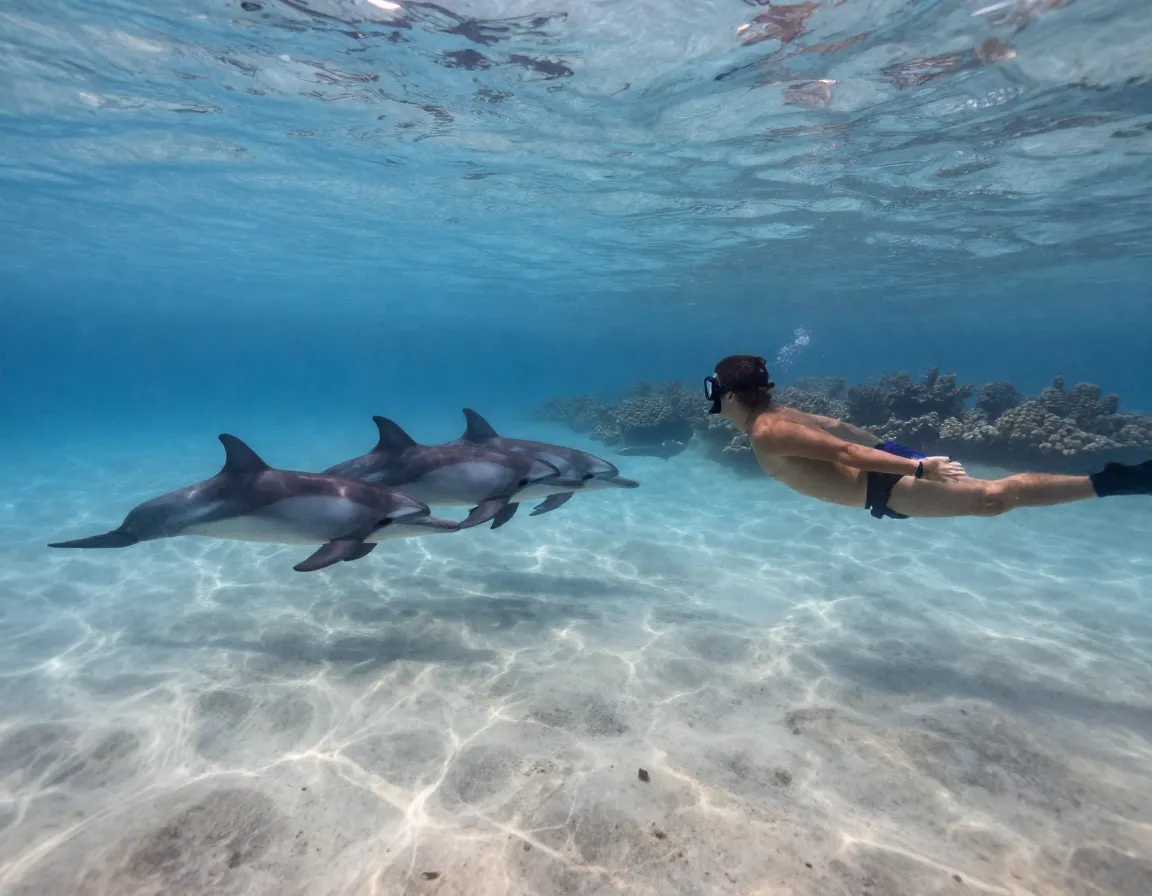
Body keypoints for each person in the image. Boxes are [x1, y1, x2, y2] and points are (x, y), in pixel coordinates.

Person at [705, 354, 1152, 519]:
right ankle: (1114, 480)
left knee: (993, 499)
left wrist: (916, 467)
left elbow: (844, 449)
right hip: (889, 463)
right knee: (991, 501)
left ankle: (1115, 481)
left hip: (886, 480)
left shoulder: (768, 430)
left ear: (726, 393)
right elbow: (842, 429)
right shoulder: (779, 413)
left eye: (712, 388)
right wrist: (898, 452)